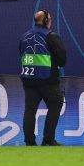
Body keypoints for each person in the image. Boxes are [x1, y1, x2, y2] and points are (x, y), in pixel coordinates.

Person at [19, 9, 66, 146]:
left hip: (28, 79)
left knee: (30, 110)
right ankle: (48, 140)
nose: (50, 22)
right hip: (48, 80)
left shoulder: (24, 36)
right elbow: (62, 60)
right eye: (50, 19)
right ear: (45, 21)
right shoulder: (51, 36)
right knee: (56, 104)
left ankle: (29, 142)